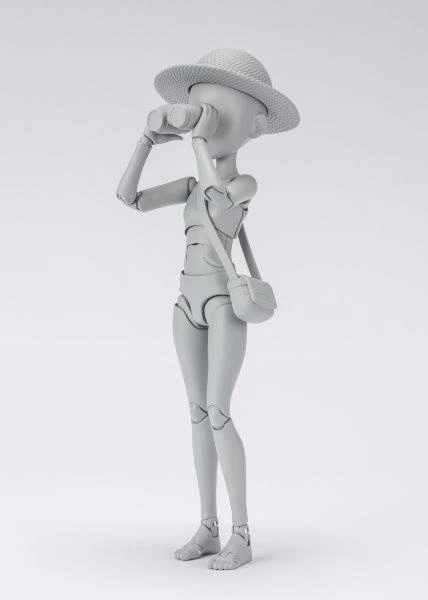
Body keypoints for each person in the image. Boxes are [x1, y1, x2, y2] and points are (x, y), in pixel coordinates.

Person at [116, 48, 299, 570]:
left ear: (255, 126)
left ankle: (241, 533)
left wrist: (198, 137)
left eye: (219, 111)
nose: (207, 118)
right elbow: (129, 198)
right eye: (201, 107)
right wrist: (146, 139)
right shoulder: (190, 185)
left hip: (222, 303)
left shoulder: (243, 185)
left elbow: (219, 195)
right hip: (185, 301)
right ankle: (208, 526)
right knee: (196, 413)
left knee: (219, 412)